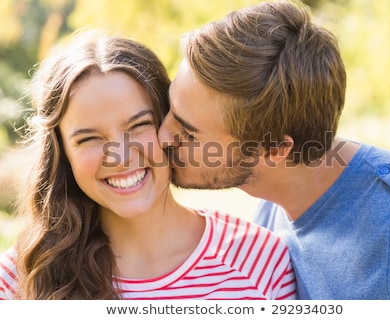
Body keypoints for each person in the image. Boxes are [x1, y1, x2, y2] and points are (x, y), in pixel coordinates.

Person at [157, 0, 390, 299]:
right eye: (170, 108)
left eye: (188, 133)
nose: (162, 135)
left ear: (274, 150)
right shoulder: (275, 200)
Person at [0, 30, 297, 299]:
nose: (121, 156)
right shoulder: (20, 279)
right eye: (89, 138)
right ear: (63, 153)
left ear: (170, 123)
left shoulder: (261, 261)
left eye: (139, 125)